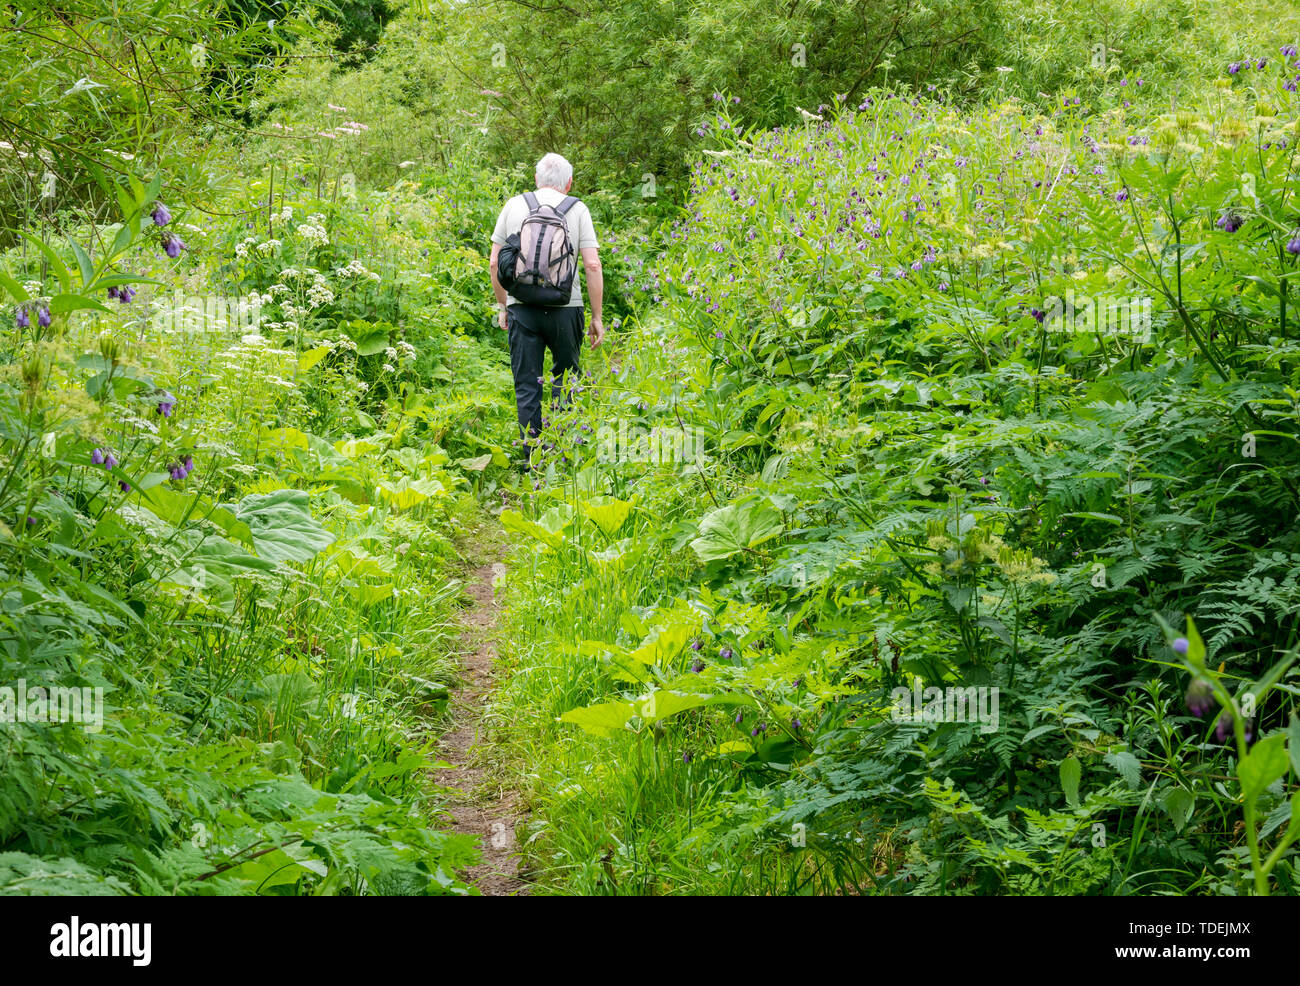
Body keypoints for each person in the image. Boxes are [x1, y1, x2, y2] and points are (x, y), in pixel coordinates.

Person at [489, 152, 605, 463]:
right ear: (568, 183)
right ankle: (562, 453)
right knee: (565, 377)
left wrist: (502, 305)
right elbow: (592, 265)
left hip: (521, 307)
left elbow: (493, 261)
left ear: (537, 180)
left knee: (527, 382)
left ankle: (533, 460)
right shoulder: (577, 208)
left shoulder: (514, 205)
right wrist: (597, 317)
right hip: (566, 307)